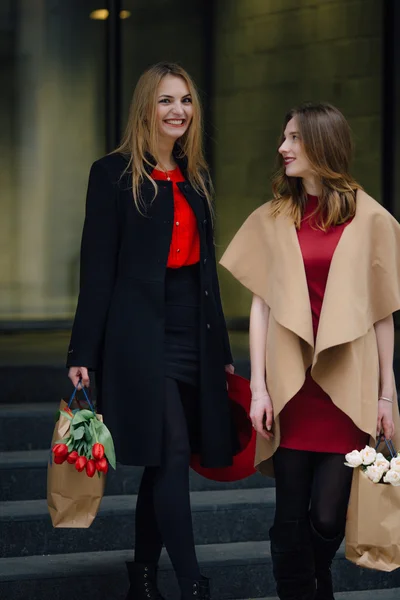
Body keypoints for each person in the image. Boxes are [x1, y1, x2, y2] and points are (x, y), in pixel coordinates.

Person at [67, 62, 234, 600]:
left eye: (185, 100)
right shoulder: (112, 174)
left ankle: (142, 575)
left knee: (165, 459)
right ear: (146, 107)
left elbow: (207, 271)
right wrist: (82, 350)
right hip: (139, 337)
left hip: (194, 332)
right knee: (174, 449)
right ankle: (193, 583)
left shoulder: (197, 177)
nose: (178, 111)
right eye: (166, 101)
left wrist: (222, 351)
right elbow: (97, 270)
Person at [220, 102, 400, 600]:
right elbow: (260, 307)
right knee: (289, 511)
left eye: (294, 138)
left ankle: (313, 580)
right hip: (290, 384)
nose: (283, 147)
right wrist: (258, 387)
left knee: (326, 515)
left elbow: (384, 311)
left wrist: (387, 395)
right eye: (284, 138)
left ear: (323, 143)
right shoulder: (274, 218)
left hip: (348, 384)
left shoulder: (372, 219)